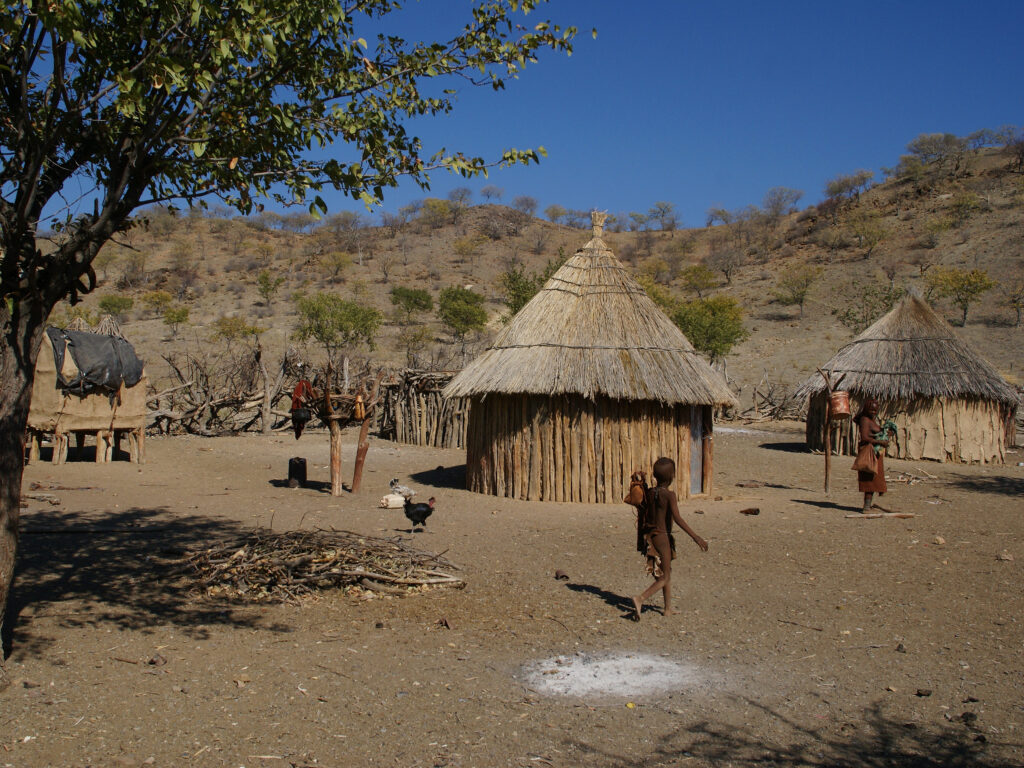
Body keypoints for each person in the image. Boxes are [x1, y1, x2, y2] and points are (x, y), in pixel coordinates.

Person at [631, 457, 708, 620]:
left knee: (666, 573)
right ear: (672, 476)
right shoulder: (669, 495)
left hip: (650, 536)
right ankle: (640, 599)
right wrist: (696, 537)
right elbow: (678, 519)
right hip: (662, 537)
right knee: (664, 577)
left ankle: (667, 608)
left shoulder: (651, 492)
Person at [854, 398, 889, 512]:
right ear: (866, 409)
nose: (874, 412)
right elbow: (864, 437)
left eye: (875, 410)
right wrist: (880, 442)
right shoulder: (865, 420)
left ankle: (868, 505)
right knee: (869, 479)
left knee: (873, 479)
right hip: (868, 453)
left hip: (874, 453)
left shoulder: (871, 420)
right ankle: (866, 506)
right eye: (871, 410)